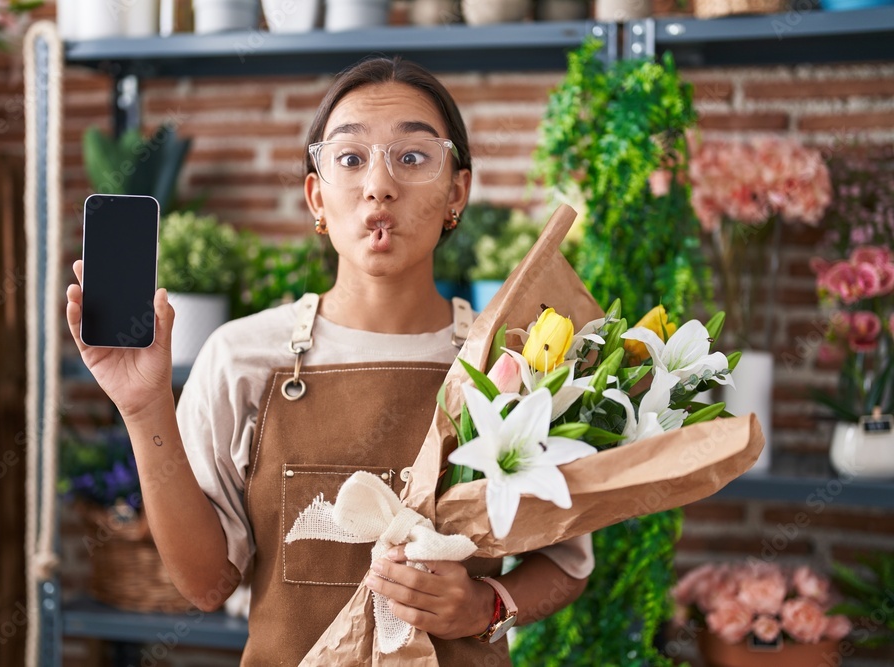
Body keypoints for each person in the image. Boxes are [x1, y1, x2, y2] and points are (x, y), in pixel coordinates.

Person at [65, 56, 593, 666]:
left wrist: (485, 607)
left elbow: (567, 562)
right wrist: (143, 407)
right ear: (317, 194)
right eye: (350, 158)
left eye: (413, 157)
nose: (379, 185)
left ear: (457, 191)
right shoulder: (242, 359)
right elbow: (207, 586)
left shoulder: (512, 361)